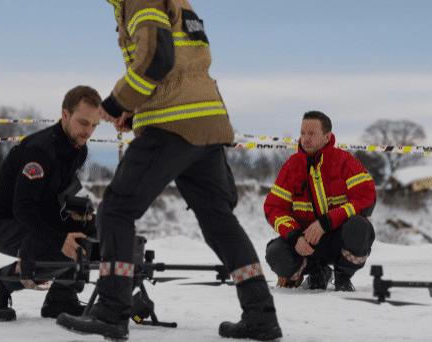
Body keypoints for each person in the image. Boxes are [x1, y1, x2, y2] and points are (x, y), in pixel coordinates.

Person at [56, 1, 281, 340]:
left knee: (115, 211)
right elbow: (181, 65)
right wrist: (135, 110)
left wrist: (118, 101)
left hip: (172, 124)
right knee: (219, 221)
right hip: (207, 121)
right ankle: (261, 313)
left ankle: (112, 312)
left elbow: (158, 57)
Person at [0, 85, 102, 321]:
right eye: (83, 123)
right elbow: (23, 208)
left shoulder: (77, 150)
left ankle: (61, 298)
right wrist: (57, 238)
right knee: (64, 248)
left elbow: (51, 198)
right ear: (65, 115)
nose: (88, 132)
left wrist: (81, 220)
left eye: (94, 125)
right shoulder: (39, 152)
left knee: (89, 237)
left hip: (31, 215)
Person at [264, 111, 376, 292]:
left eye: (311, 133)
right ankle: (317, 272)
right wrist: (294, 236)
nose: (305, 139)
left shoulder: (345, 161)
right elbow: (274, 208)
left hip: (338, 240)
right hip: (306, 242)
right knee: (275, 253)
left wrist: (327, 222)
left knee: (359, 227)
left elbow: (367, 197)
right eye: (302, 133)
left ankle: (343, 275)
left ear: (327, 137)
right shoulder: (291, 166)